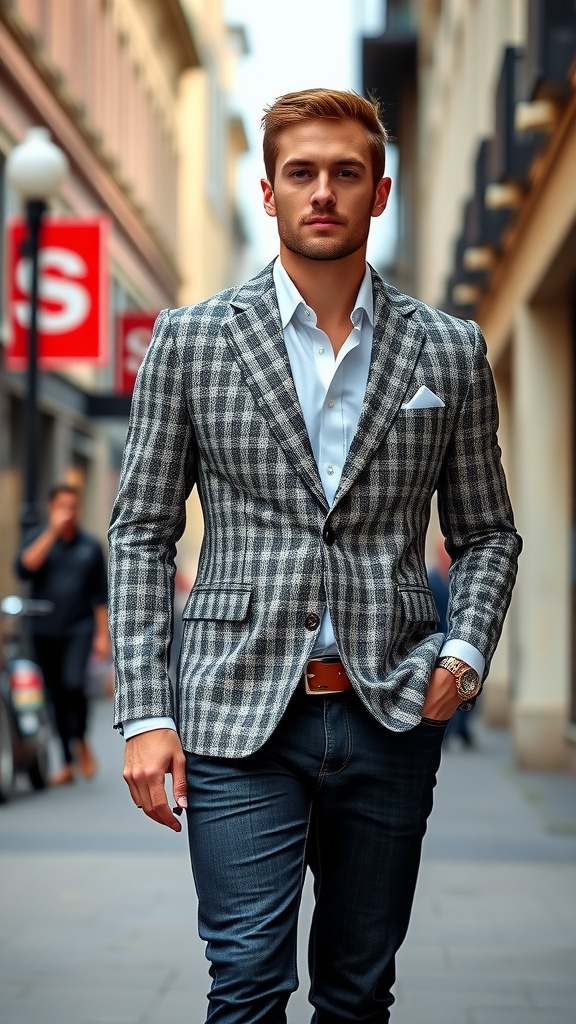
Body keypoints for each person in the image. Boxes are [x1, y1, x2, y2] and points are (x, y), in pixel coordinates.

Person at [108, 89, 522, 1022]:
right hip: (235, 713)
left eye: (346, 172)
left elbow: (487, 532)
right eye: (302, 173)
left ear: (380, 192)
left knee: (357, 991)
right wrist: (144, 711)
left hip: (391, 707)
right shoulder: (192, 340)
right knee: (247, 982)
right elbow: (141, 530)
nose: (323, 191)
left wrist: (463, 657)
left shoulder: (449, 351)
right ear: (269, 192)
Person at [16, 482, 109, 785]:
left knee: (72, 685)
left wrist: (102, 635)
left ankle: (80, 738)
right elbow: (24, 569)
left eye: (72, 507)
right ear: (51, 508)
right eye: (62, 507)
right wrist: (51, 534)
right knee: (53, 694)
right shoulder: (38, 539)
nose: (68, 513)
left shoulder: (89, 546)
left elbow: (100, 595)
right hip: (43, 629)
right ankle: (67, 760)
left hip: (78, 628)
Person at [427, 534, 478, 748]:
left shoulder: (462, 579)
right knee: (444, 687)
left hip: (462, 642)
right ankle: (445, 732)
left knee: (469, 686)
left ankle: (463, 729)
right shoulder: (431, 579)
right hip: (439, 643)